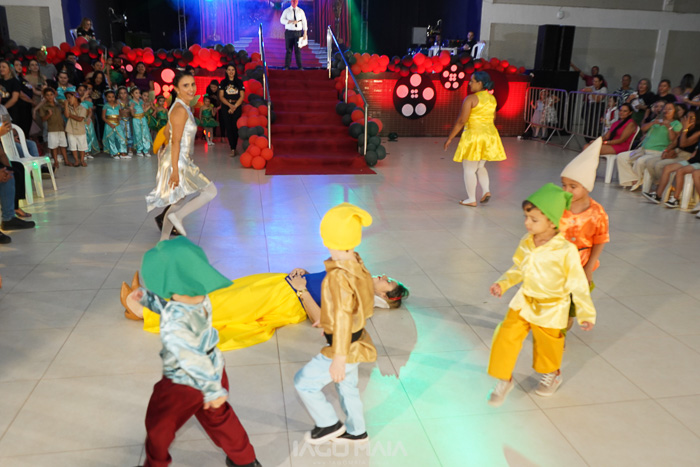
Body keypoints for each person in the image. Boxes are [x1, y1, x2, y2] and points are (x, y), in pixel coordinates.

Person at [127, 237, 261, 467]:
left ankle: (155, 464)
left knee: (159, 426)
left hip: (185, 381)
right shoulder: (200, 299)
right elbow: (177, 309)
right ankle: (245, 460)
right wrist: (149, 300)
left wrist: (211, 391)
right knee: (219, 417)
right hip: (215, 369)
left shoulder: (179, 319)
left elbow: (189, 354)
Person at [121, 261, 409, 350]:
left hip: (285, 298)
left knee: (223, 306)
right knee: (222, 292)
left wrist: (301, 290)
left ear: (384, 298)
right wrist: (305, 274)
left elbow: (322, 320)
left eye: (388, 282)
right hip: (280, 283)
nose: (384, 276)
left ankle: (145, 310)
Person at [486, 183, 596, 407]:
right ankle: (504, 378)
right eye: (526, 217)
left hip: (552, 307)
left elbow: (577, 283)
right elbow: (519, 268)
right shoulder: (526, 241)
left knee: (548, 347)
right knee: (505, 336)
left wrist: (586, 313)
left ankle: (552, 374)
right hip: (524, 301)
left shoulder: (565, 250)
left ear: (552, 222)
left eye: (534, 219)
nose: (527, 223)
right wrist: (503, 283)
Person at [294, 203, 375, 444]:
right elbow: (355, 306)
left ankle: (328, 424)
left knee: (304, 383)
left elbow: (343, 316)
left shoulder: (338, 276)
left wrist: (339, 358)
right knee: (348, 388)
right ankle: (357, 431)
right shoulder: (357, 263)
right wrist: (326, 321)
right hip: (357, 341)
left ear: (330, 239)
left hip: (343, 348)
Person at [145, 71, 217, 241]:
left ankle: (163, 240)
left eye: (192, 84)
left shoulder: (181, 106)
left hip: (177, 157)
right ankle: (178, 217)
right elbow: (175, 141)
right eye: (185, 85)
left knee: (178, 200)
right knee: (210, 191)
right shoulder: (179, 109)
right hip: (178, 160)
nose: (191, 89)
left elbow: (167, 132)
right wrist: (175, 170)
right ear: (176, 89)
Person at [559, 139, 609, 331]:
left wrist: (589, 267)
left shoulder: (597, 212)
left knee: (572, 302)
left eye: (573, 186)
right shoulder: (558, 204)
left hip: (581, 263)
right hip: (557, 262)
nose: (566, 190)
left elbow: (600, 240)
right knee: (556, 302)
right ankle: (556, 335)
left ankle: (565, 324)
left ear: (586, 187)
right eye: (564, 185)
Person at [444, 71, 506, 206]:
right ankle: (486, 190)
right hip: (489, 135)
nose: (469, 83)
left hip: (474, 135)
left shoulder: (471, 99)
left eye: (472, 81)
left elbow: (462, 120)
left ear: (480, 83)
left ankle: (471, 199)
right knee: (480, 166)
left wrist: (450, 138)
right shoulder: (492, 99)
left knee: (469, 169)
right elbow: (493, 118)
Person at [616, 102, 680, 189]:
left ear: (674, 111)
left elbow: (673, 139)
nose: (666, 110)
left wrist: (669, 126)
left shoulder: (676, 123)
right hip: (643, 149)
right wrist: (652, 123)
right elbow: (643, 128)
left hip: (657, 152)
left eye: (670, 109)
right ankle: (633, 179)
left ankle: (636, 181)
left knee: (640, 161)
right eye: (665, 108)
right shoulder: (657, 120)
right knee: (621, 157)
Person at [643, 110, 700, 206]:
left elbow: (683, 144)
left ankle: (675, 197)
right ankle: (658, 195)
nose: (688, 120)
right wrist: (666, 151)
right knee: (667, 168)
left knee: (677, 170)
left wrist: (685, 129)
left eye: (692, 118)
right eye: (687, 117)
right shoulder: (684, 129)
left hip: (686, 155)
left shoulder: (697, 131)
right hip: (688, 157)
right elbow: (675, 143)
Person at [218, 64, 245, 157]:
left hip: (236, 106)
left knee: (235, 127)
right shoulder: (223, 82)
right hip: (226, 106)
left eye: (232, 70)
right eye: (229, 70)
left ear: (235, 71)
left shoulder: (239, 82)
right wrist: (230, 106)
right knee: (228, 127)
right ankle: (232, 148)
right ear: (226, 71)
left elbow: (242, 96)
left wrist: (234, 106)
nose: (231, 72)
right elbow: (221, 96)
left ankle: (235, 146)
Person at [38, 87, 67, 169]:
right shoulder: (44, 107)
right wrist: (49, 115)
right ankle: (56, 162)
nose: (50, 97)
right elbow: (43, 119)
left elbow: (63, 114)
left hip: (61, 127)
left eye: (51, 94)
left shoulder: (58, 105)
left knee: (63, 145)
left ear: (54, 95)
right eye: (47, 95)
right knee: (53, 146)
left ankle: (66, 160)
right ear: (44, 96)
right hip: (52, 129)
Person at [280, 0, 307, 70]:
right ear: (291, 2)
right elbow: (281, 20)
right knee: (289, 50)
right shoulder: (286, 11)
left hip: (298, 33)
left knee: (298, 50)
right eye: (293, 2)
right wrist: (289, 21)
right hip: (289, 32)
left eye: (295, 2)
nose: (294, 3)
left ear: (297, 2)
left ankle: (300, 66)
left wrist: (305, 33)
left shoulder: (301, 11)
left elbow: (304, 22)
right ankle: (287, 66)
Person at [63, 91, 88, 167]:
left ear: (75, 98)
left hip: (80, 130)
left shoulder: (82, 108)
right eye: (67, 98)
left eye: (69, 97)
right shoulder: (68, 108)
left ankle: (82, 160)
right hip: (70, 129)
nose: (68, 99)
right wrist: (66, 105)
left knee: (82, 146)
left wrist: (70, 115)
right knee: (72, 146)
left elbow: (80, 119)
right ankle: (76, 160)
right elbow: (66, 115)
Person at [102, 89, 127, 159]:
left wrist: (119, 118)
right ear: (106, 98)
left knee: (121, 138)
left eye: (113, 97)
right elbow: (103, 117)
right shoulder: (106, 106)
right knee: (111, 139)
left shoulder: (118, 105)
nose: (111, 98)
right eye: (109, 97)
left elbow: (120, 114)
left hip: (117, 124)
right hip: (109, 125)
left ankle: (123, 152)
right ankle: (114, 153)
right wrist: (110, 124)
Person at [129, 87, 152, 157]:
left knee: (145, 133)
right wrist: (131, 109)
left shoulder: (141, 101)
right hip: (136, 119)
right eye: (136, 93)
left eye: (138, 93)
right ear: (132, 94)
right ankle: (139, 150)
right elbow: (132, 114)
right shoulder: (131, 102)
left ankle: (146, 150)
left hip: (143, 118)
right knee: (138, 134)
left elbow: (144, 110)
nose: (138, 94)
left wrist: (150, 106)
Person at [79, 84, 101, 156]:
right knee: (82, 136)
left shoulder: (89, 99)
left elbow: (90, 111)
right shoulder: (76, 99)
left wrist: (89, 118)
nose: (82, 92)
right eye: (80, 90)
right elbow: (78, 106)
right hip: (79, 120)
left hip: (87, 119)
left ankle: (88, 151)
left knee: (90, 135)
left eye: (84, 90)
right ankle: (83, 152)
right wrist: (83, 97)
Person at [116, 86, 133, 158]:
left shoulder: (130, 101)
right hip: (121, 120)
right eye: (121, 93)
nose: (123, 95)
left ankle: (130, 149)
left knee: (129, 134)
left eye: (125, 93)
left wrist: (128, 110)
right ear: (118, 94)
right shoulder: (118, 101)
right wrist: (128, 110)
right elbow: (120, 111)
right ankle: (122, 149)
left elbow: (132, 110)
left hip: (129, 119)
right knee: (122, 135)